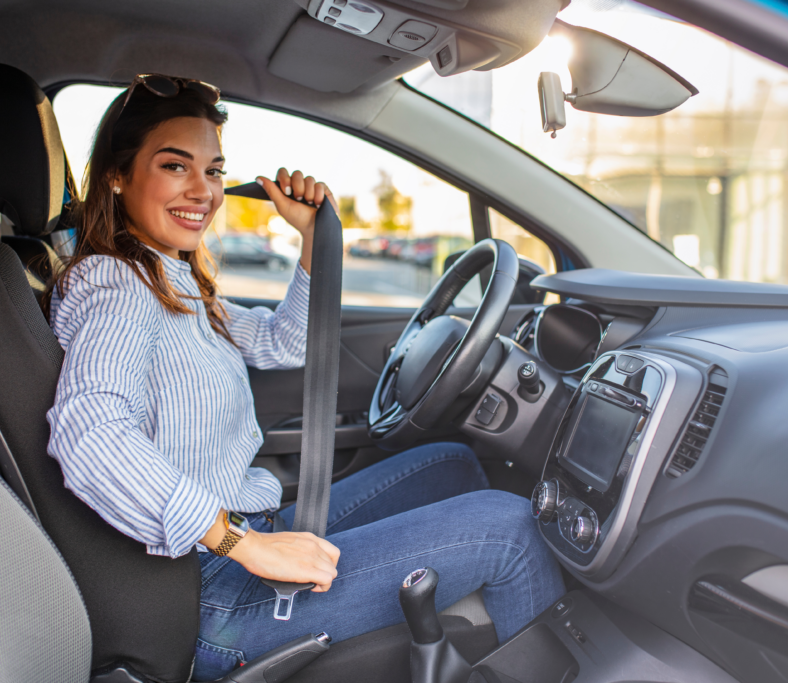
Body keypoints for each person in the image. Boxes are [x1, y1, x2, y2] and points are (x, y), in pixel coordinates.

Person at [44, 74, 565, 681]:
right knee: (512, 530)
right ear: (117, 174)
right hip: (212, 592)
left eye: (213, 170)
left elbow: (283, 342)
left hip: (245, 531)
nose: (203, 191)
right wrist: (247, 547)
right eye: (174, 166)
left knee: (450, 463)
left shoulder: (171, 278)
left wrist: (315, 237)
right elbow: (90, 435)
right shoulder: (114, 287)